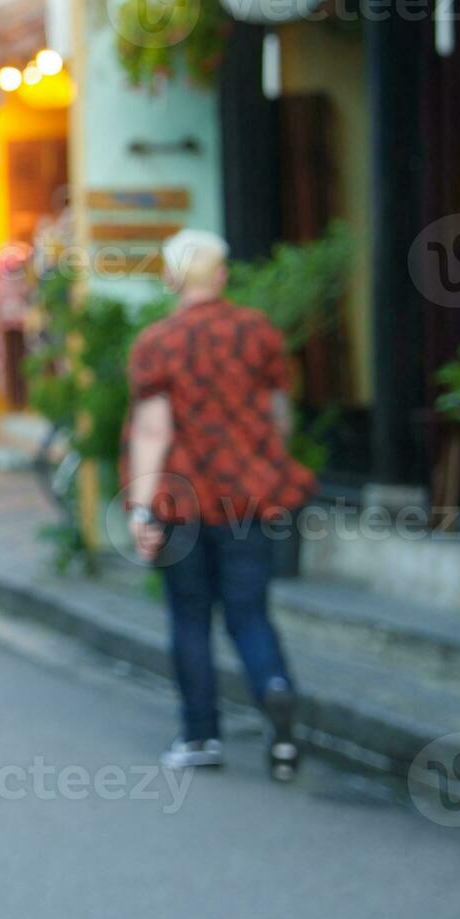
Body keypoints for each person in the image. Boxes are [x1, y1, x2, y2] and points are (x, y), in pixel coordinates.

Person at [122, 229, 315, 780]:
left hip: (182, 504)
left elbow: (153, 431)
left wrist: (140, 508)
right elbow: (279, 414)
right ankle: (275, 693)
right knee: (249, 613)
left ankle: (200, 735)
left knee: (189, 617)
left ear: (170, 280)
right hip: (247, 499)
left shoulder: (156, 344)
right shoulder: (258, 333)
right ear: (223, 277)